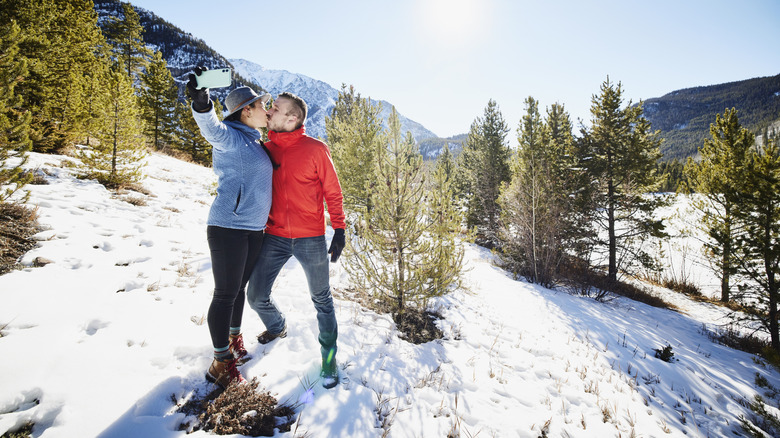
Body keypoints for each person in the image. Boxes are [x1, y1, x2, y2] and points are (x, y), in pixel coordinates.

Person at [246, 92, 346, 389]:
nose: (269, 112)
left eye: (275, 109)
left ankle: (329, 360)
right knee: (255, 296)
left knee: (322, 300)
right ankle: (277, 326)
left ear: (292, 118)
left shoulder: (315, 149)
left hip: (310, 238)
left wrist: (339, 229)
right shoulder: (264, 149)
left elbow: (333, 191)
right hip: (273, 236)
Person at [187, 69, 273, 389]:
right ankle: (220, 362)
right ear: (246, 110)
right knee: (225, 294)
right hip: (228, 227)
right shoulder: (231, 137)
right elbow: (210, 127)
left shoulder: (255, 140)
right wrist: (201, 101)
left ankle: (233, 340)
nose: (268, 109)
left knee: (239, 290)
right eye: (262, 105)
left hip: (253, 229)